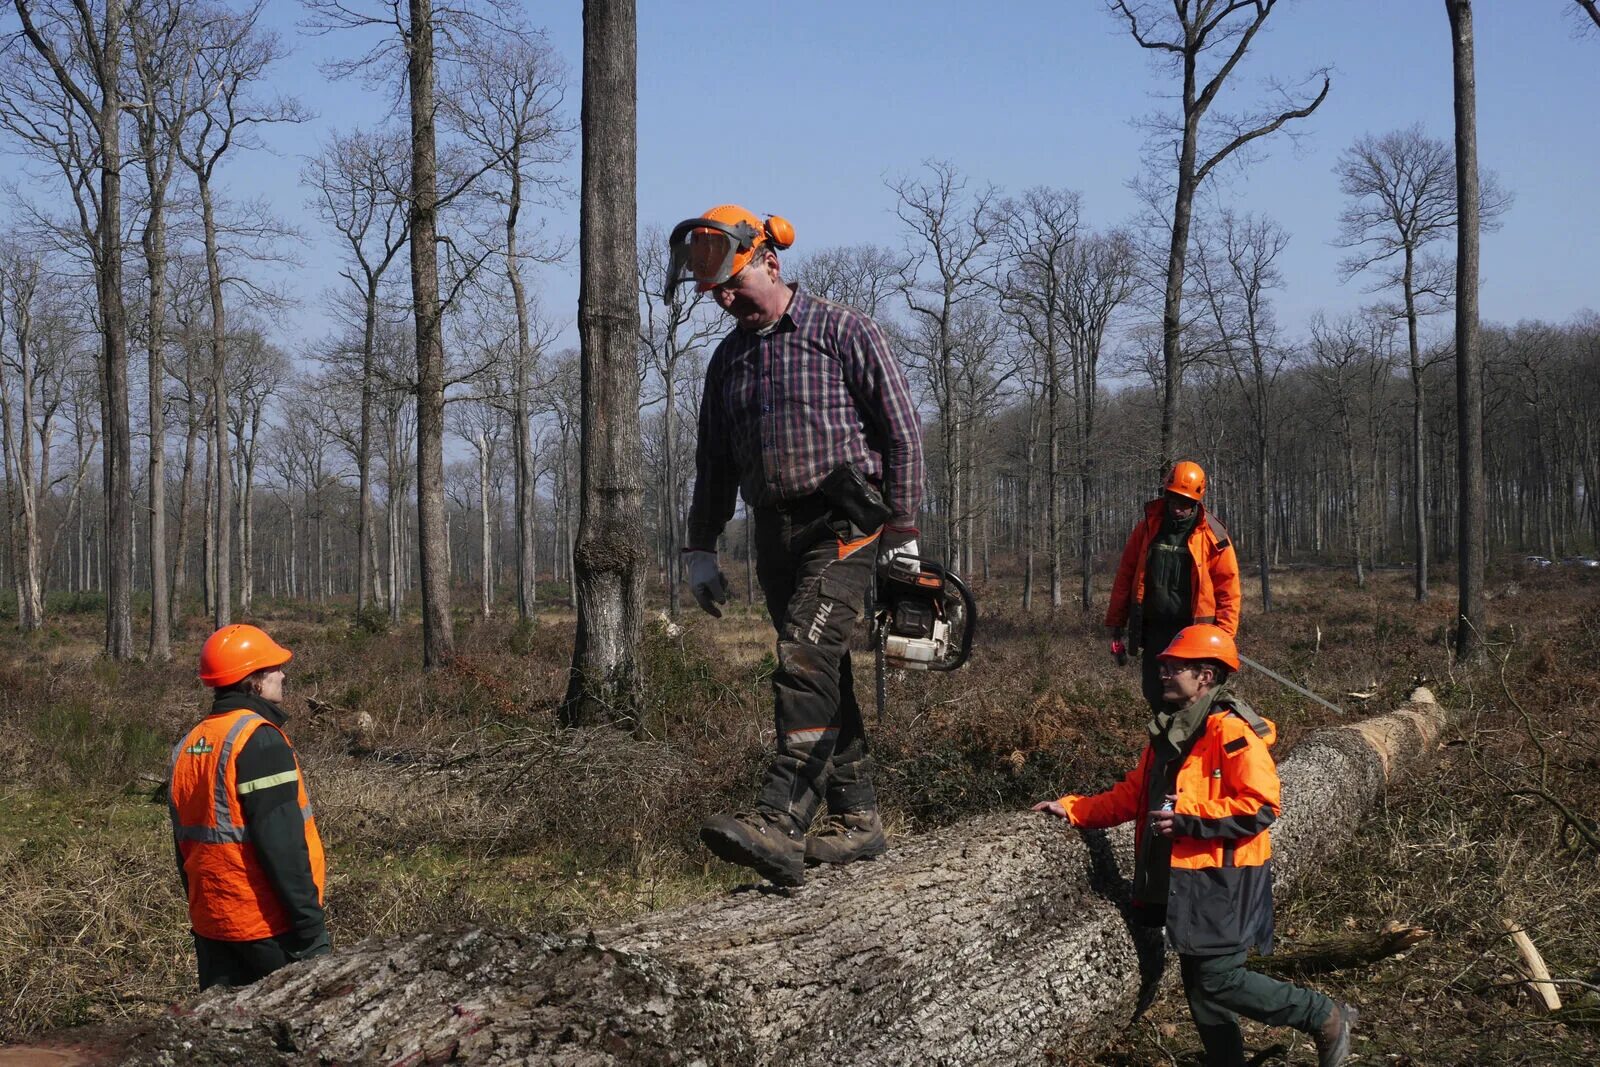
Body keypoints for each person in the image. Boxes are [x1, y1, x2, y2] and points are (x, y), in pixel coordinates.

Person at [667, 204, 924, 888]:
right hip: (775, 533)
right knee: (825, 675)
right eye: (714, 292)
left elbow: (901, 432)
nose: (724, 300)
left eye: (732, 283)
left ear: (770, 262)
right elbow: (714, 463)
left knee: (804, 661)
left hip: (845, 525)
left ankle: (780, 820)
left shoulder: (843, 332)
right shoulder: (728, 362)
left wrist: (902, 532)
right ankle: (859, 818)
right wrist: (700, 547)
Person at [1033, 625, 1358, 1067]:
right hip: (1186, 876)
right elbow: (1134, 794)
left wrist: (1190, 817)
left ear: (1205, 676)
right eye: (1164, 664)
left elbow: (1262, 805)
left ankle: (1325, 1016)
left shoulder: (1231, 732)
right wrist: (1072, 809)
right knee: (1199, 983)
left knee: (1218, 979)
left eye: (1175, 666)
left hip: (1224, 877)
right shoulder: (1173, 732)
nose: (1163, 671)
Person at [169, 624, 329, 989]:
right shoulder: (259, 741)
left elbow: (183, 849)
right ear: (254, 681)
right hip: (268, 928)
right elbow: (282, 845)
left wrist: (206, 911)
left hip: (213, 926)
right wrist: (310, 929)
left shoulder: (191, 743)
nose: (283, 674)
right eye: (274, 668)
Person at [1106, 460, 1241, 712]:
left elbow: (1228, 591)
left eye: (1185, 503)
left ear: (1196, 501)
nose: (1177, 508)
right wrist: (1116, 623)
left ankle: (1193, 749)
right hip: (1155, 630)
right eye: (1174, 499)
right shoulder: (1149, 526)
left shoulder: (1215, 536)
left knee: (1193, 701)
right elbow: (1125, 574)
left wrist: (1224, 639)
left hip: (1193, 634)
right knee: (1156, 692)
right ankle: (1163, 746)